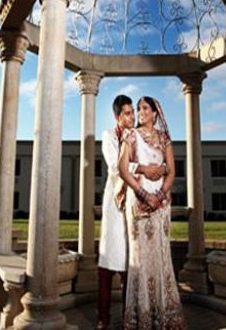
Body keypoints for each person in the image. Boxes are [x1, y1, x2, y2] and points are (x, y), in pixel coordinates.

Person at [97, 94, 166, 330]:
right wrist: (145, 168)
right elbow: (116, 166)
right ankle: (103, 318)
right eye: (127, 113)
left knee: (132, 261)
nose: (132, 116)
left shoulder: (136, 136)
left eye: (133, 112)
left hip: (135, 201)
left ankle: (132, 317)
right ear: (118, 116)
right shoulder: (109, 136)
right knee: (108, 260)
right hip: (115, 202)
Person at [117, 96, 186, 330]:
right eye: (138, 108)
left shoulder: (164, 139)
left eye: (145, 108)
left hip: (161, 206)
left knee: (161, 257)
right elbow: (123, 168)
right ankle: (141, 317)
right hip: (138, 204)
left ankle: (164, 315)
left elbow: (172, 171)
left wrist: (160, 195)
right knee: (141, 260)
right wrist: (145, 195)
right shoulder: (131, 136)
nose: (140, 111)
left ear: (156, 112)